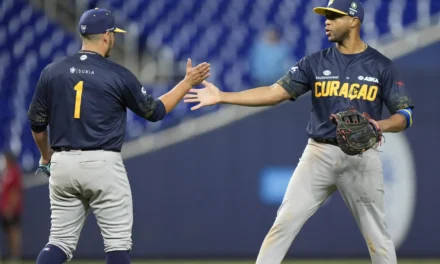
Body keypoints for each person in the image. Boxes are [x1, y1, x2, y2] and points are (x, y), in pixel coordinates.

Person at [183, 0, 414, 263]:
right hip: (319, 153)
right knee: (284, 223)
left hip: (362, 157)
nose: (326, 21)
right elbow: (273, 93)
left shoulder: (381, 65)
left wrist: (378, 125)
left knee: (378, 236)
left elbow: (405, 115)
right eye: (325, 16)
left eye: (334, 16)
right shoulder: (314, 63)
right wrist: (222, 95)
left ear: (353, 20)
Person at [27, 8, 210, 264]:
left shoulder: (52, 71)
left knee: (58, 242)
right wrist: (186, 83)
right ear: (105, 36)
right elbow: (154, 112)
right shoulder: (118, 74)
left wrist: (46, 157)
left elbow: (36, 123)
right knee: (117, 246)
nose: (114, 39)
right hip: (102, 164)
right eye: (112, 34)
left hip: (62, 164)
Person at [0, 151, 23, 262]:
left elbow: (15, 192)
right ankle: (10, 254)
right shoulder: (6, 172)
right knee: (8, 232)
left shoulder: (14, 172)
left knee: (13, 232)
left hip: (11, 208)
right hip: (4, 207)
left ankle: (15, 255)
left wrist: (10, 207)